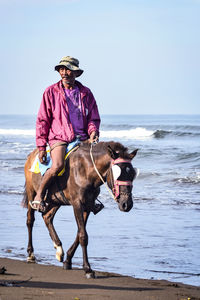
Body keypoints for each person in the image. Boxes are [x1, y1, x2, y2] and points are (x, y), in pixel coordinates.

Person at [31, 56, 103, 214]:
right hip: (59, 137)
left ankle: (92, 199)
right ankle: (39, 195)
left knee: (95, 167)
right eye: (62, 69)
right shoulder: (50, 92)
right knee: (57, 165)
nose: (65, 72)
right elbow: (43, 120)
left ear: (76, 73)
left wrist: (92, 132)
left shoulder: (86, 93)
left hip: (82, 137)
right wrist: (41, 146)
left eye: (68, 69)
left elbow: (93, 117)